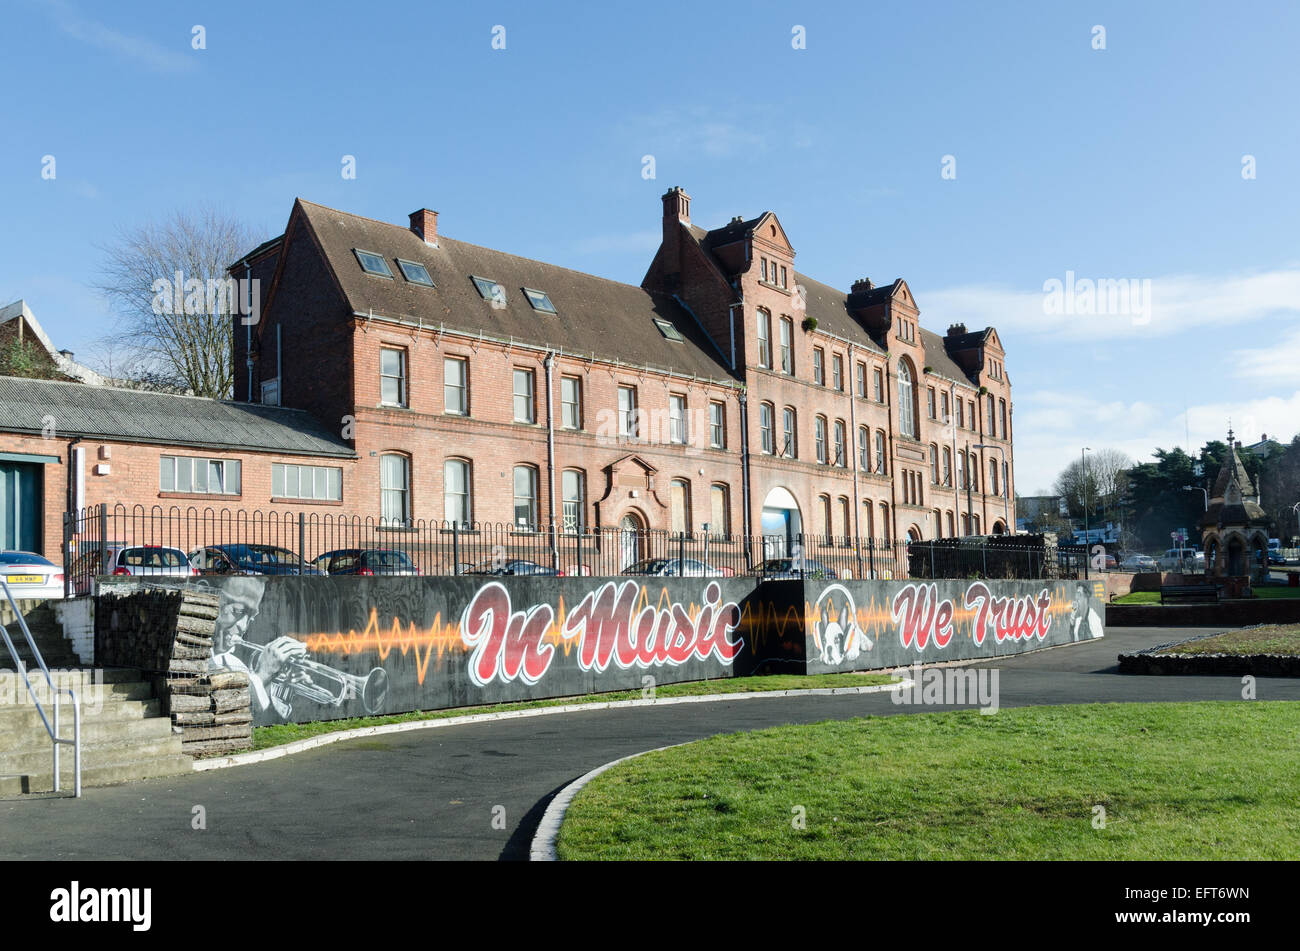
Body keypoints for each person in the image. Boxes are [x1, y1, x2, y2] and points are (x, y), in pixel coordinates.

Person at [208, 576, 308, 723]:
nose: (243, 626)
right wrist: (264, 674)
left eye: (250, 618)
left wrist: (283, 688)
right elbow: (220, 705)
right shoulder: (193, 655)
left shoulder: (236, 665)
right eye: (237, 611)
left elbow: (257, 717)